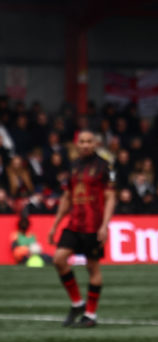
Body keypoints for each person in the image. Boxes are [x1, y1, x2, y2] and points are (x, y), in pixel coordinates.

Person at [48, 130, 116, 328]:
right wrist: (55, 224)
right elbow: (67, 197)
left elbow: (111, 197)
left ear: (95, 144)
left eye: (89, 141)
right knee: (58, 259)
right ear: (77, 144)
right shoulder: (73, 167)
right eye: (82, 142)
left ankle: (91, 315)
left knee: (92, 267)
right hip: (74, 224)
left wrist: (105, 225)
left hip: (93, 226)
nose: (85, 145)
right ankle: (77, 303)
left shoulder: (106, 167)